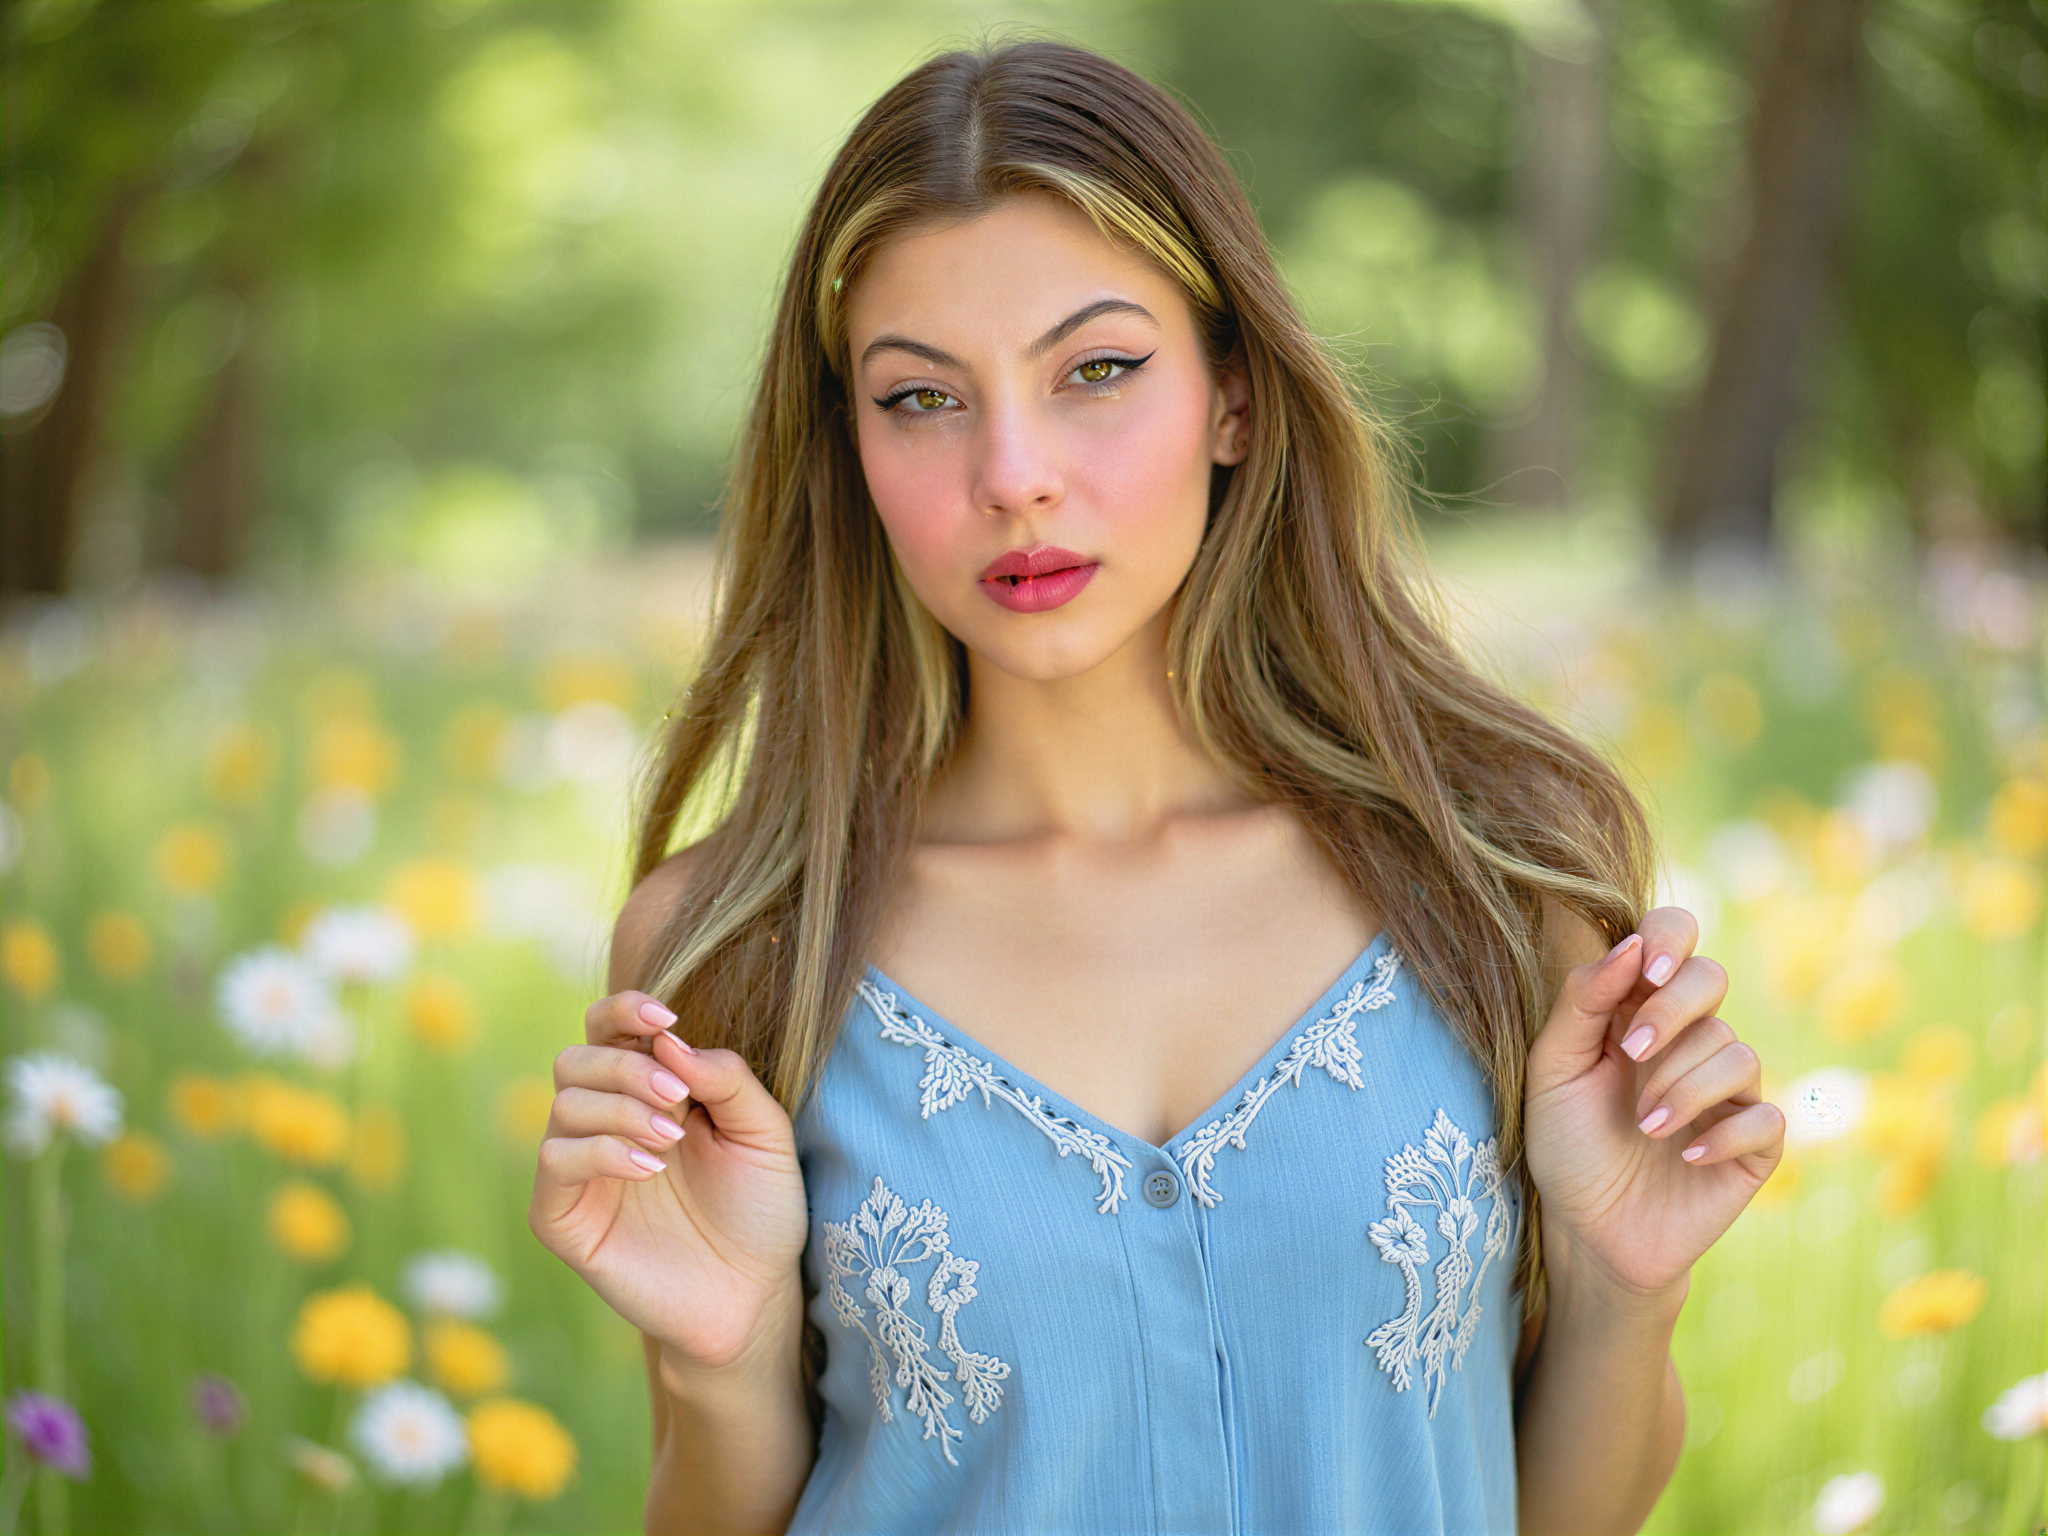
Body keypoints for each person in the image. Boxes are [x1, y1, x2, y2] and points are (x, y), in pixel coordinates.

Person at [529, 38, 1785, 1536]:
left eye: (1098, 371)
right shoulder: (731, 943)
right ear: (849, 450)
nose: (1014, 474)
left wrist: (1624, 1289)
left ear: (1235, 399)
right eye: (921, 399)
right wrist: (717, 1365)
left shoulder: (1498, 880)